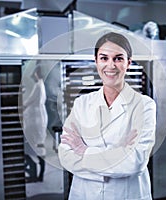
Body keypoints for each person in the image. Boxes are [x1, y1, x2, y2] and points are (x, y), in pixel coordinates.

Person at [58, 32, 156, 199]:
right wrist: (116, 156)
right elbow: (66, 155)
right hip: (85, 194)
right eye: (104, 58)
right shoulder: (82, 103)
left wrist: (85, 151)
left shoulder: (144, 105)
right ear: (96, 62)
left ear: (128, 63)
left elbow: (135, 161)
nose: (111, 65)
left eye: (118, 58)